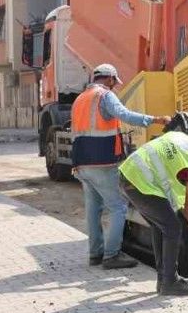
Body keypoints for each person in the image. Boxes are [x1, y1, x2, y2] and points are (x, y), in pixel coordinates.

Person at [70, 63, 171, 269]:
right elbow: (124, 114)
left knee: (93, 209)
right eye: (114, 82)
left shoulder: (80, 99)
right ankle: (111, 256)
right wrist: (156, 120)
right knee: (118, 207)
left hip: (81, 163)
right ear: (109, 79)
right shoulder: (105, 96)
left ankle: (95, 254)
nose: (114, 85)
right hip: (102, 161)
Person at [118, 118, 188, 296]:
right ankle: (170, 282)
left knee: (161, 226)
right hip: (139, 182)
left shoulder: (183, 139)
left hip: (129, 175)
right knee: (172, 228)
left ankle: (164, 279)